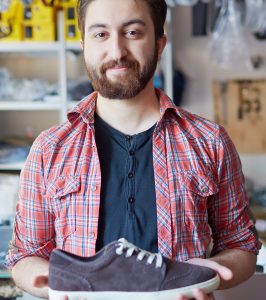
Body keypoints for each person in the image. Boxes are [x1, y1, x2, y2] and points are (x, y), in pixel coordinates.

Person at [6, 0, 261, 299]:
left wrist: (208, 274)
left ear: (159, 42)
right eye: (101, 34)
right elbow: (23, 255)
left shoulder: (210, 142)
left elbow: (241, 246)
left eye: (132, 32)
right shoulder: (49, 149)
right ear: (84, 45)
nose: (116, 52)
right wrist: (55, 283)